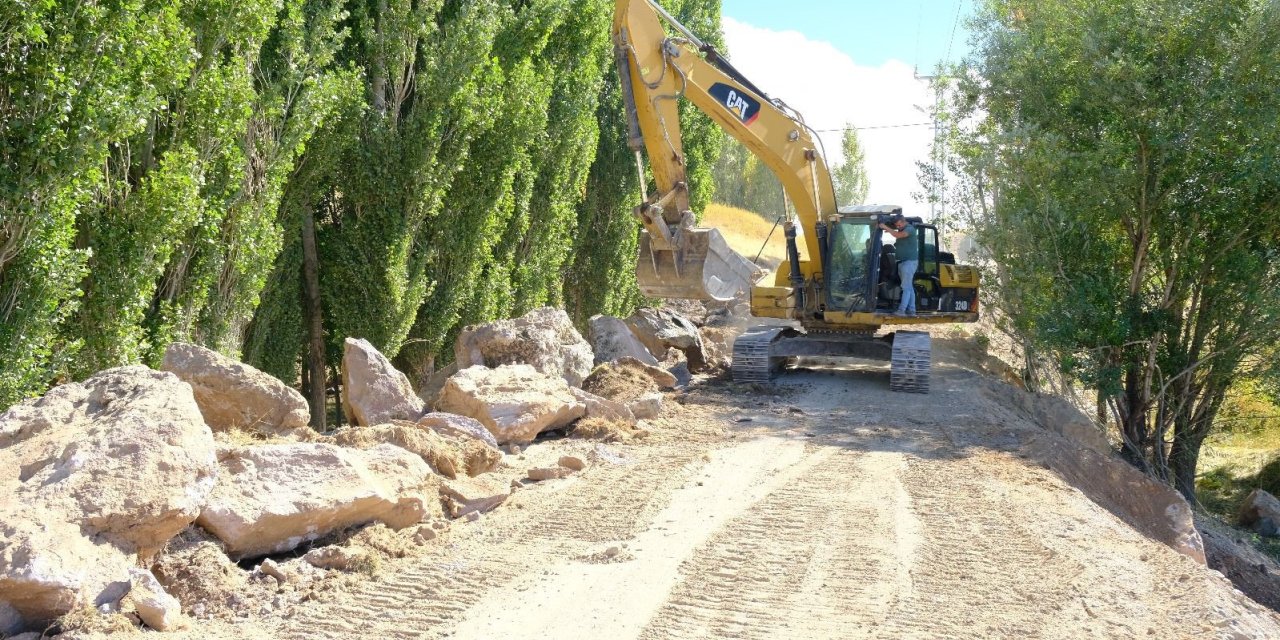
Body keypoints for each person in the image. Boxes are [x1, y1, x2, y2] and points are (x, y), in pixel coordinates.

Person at [878, 214, 918, 316]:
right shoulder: (902, 229)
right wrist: (890, 230)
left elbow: (899, 235)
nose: (898, 227)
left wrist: (886, 227)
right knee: (909, 287)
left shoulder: (910, 229)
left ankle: (901, 310)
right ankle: (912, 310)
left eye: (899, 225)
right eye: (897, 226)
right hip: (902, 262)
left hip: (909, 262)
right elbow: (897, 233)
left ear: (903, 221)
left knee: (906, 287)